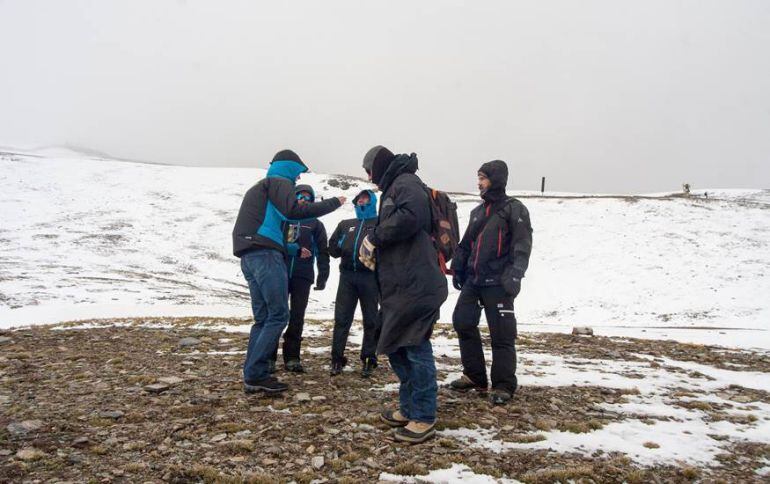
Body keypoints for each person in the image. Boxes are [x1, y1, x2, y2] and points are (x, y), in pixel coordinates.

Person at [232, 150, 345, 394]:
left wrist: (291, 248)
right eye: (298, 174)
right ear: (291, 168)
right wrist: (334, 203)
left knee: (263, 319)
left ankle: (253, 374)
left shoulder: (262, 188)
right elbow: (295, 211)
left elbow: (276, 225)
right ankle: (256, 373)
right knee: (278, 316)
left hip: (249, 255)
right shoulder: (279, 182)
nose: (297, 180)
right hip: (265, 255)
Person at [359, 146, 448, 444]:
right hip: (402, 286)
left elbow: (412, 215)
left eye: (368, 170)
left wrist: (375, 237)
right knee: (395, 345)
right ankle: (409, 408)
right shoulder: (395, 186)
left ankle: (423, 417)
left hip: (418, 285)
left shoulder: (405, 182)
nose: (369, 177)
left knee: (414, 345)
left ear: (378, 166)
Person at [449, 160, 533, 405]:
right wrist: (458, 268)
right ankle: (475, 376)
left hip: (499, 282)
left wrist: (515, 275)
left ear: (495, 179)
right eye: (478, 178)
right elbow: (466, 244)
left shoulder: (514, 209)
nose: (479, 183)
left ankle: (503, 385)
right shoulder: (478, 212)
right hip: (474, 280)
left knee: (502, 335)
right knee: (462, 322)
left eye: (483, 178)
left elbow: (522, 245)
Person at [269, 184, 330, 374]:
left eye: (308, 198)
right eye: (300, 197)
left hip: (303, 276)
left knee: (297, 317)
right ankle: (268, 358)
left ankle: (292, 358)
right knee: (276, 314)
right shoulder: (283, 219)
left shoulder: (316, 224)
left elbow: (323, 252)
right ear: (294, 199)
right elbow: (273, 243)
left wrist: (322, 276)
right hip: (279, 273)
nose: (303, 200)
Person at [328, 189, 380, 377]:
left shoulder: (380, 223)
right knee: (342, 319)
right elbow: (332, 249)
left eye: (366, 198)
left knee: (371, 319)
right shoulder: (346, 224)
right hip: (347, 277)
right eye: (359, 199)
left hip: (370, 278)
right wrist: (340, 244)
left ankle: (369, 358)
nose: (362, 201)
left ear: (373, 201)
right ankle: (336, 359)